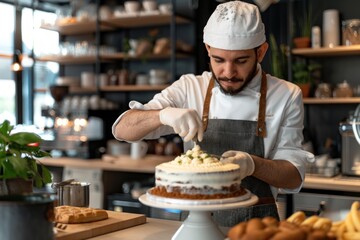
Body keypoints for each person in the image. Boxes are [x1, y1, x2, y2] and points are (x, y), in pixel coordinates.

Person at [112, 1, 314, 226]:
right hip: (194, 227)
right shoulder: (190, 87)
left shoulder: (286, 95)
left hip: (256, 230)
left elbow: (293, 176)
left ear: (261, 52)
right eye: (218, 60)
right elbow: (123, 129)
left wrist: (252, 165)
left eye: (241, 60)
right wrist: (162, 115)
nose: (228, 72)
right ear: (208, 49)